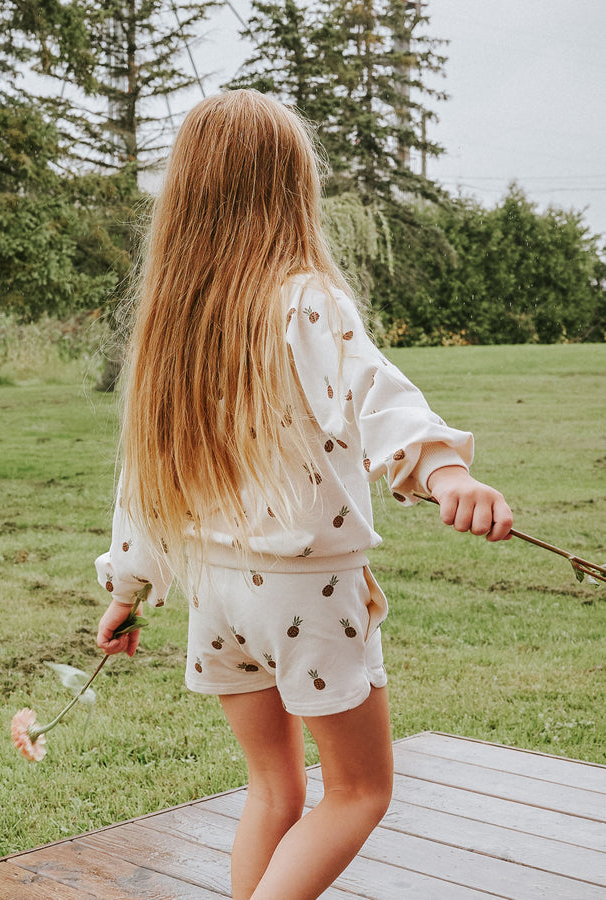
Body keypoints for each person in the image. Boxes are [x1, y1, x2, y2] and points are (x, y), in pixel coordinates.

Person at [94, 90, 513, 900]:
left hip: (215, 602)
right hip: (306, 593)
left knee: (276, 792)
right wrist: (444, 470)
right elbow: (377, 393)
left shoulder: (174, 325)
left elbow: (144, 480)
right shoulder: (305, 298)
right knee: (359, 791)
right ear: (292, 188)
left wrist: (127, 589)